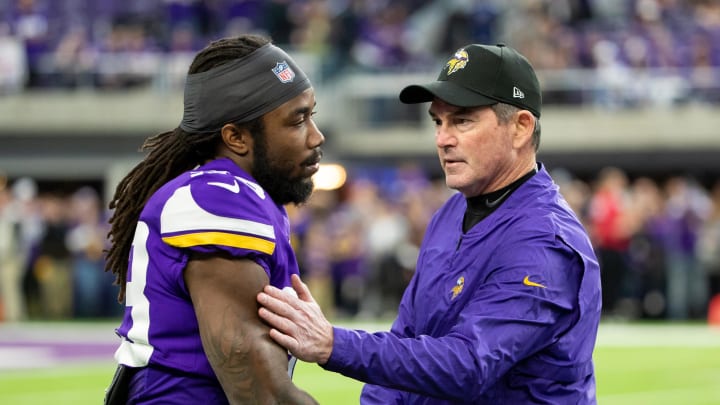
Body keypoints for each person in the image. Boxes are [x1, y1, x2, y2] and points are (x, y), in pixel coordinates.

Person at [257, 43, 602, 404]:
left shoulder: (544, 242)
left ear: (520, 128)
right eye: (438, 121)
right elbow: (406, 336)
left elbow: (468, 365)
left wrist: (333, 344)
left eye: (462, 120)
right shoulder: (452, 213)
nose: (442, 139)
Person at [103, 34, 323, 404]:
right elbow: (255, 385)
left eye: (311, 115)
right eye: (297, 121)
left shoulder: (244, 196)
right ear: (237, 137)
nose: (316, 137)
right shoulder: (218, 199)